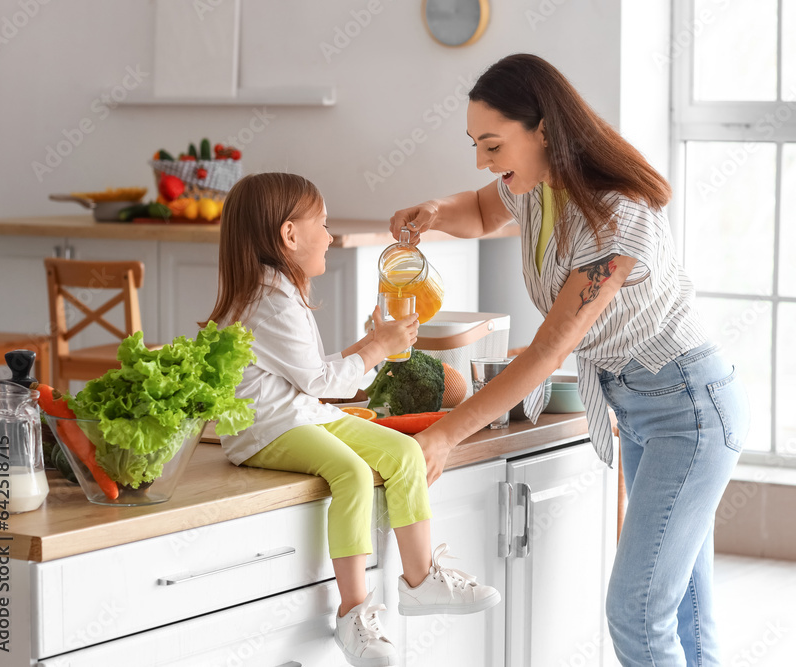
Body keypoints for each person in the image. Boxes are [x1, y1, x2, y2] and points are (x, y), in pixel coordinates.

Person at [390, 54, 749, 666]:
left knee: (637, 614)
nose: (483, 160)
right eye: (477, 144)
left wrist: (446, 436)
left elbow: (551, 347)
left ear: (545, 132)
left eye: (493, 144)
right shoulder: (534, 186)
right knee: (684, 604)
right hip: (639, 407)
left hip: (688, 411)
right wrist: (432, 212)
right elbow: (478, 211)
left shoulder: (617, 218)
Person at [205, 172, 501, 667]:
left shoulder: (279, 292)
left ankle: (421, 580)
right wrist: (376, 348)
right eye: (322, 224)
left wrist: (372, 344)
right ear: (289, 235)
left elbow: (311, 378)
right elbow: (323, 382)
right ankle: (353, 613)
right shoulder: (268, 302)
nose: (330, 235)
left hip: (299, 416)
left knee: (406, 452)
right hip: (264, 432)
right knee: (352, 473)